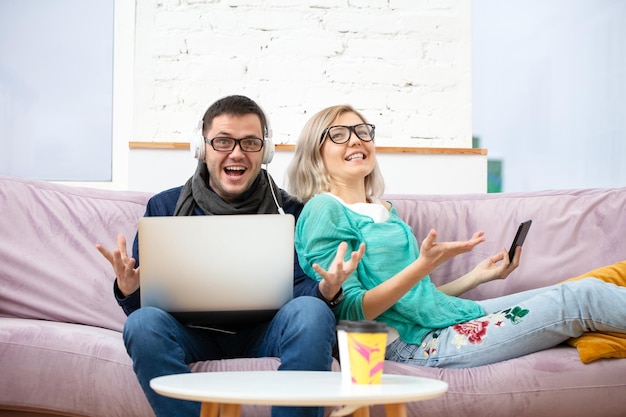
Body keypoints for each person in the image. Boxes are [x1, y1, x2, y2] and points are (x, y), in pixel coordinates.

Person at [287, 103, 626, 368]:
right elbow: (350, 313)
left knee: (579, 290)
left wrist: (476, 277)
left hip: (436, 321)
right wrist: (420, 267)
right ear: (317, 152)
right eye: (339, 134)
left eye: (361, 131)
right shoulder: (324, 210)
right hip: (409, 345)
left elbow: (416, 300)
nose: (357, 139)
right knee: (576, 302)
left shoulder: (383, 208)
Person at [96, 95, 340, 417]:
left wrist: (325, 291)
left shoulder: (291, 212)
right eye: (223, 141)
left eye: (250, 142)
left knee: (312, 311)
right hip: (192, 333)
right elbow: (147, 306)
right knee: (143, 324)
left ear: (264, 152)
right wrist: (130, 289)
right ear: (202, 148)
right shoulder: (164, 208)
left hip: (266, 332)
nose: (237, 153)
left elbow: (300, 288)